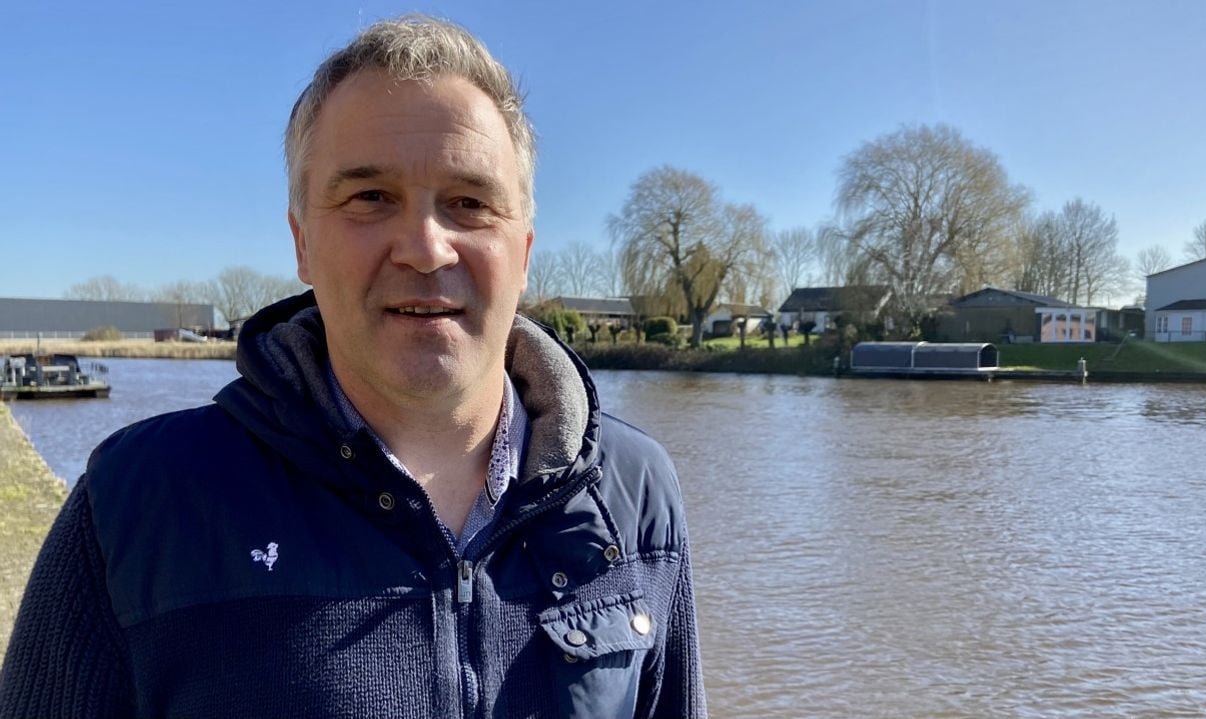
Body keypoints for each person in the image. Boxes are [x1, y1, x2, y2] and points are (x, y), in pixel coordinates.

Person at [0, 16, 705, 719]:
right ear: (302, 242)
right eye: (370, 197)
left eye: (469, 202)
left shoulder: (636, 493)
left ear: (522, 253)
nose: (426, 248)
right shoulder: (135, 506)